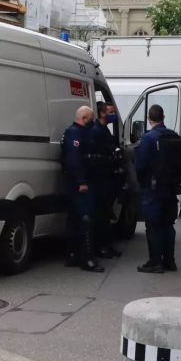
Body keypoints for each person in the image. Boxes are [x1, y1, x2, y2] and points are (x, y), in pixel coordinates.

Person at [134, 104, 181, 274]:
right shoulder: (174, 136)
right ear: (163, 117)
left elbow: (140, 165)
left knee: (153, 225)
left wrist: (142, 183)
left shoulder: (148, 138)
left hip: (153, 189)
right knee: (168, 225)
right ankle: (169, 261)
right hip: (171, 188)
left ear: (149, 119)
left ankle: (155, 262)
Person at [61, 106, 104, 273]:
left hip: (77, 182)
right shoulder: (75, 133)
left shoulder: (78, 132)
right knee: (85, 218)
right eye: (91, 118)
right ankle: (87, 259)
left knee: (74, 218)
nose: (92, 121)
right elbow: (74, 160)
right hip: (78, 184)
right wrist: (81, 181)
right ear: (84, 118)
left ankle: (72, 255)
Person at [88, 101, 120, 259]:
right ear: (102, 113)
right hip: (100, 179)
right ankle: (101, 247)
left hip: (107, 177)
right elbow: (95, 156)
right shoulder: (96, 131)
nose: (113, 115)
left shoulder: (104, 130)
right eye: (110, 112)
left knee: (107, 214)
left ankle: (107, 245)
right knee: (100, 215)